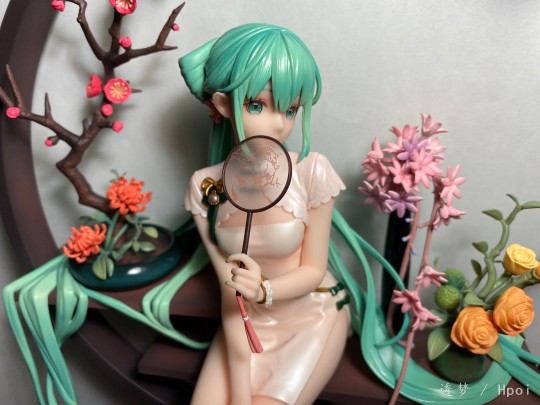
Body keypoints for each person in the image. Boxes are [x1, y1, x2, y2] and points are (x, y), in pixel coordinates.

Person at [179, 23, 350, 405]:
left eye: (290, 110)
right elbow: (229, 294)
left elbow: (312, 270)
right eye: (257, 105)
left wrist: (264, 290)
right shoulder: (205, 186)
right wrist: (240, 389)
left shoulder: (311, 171)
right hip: (244, 322)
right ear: (223, 104)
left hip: (311, 313)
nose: (278, 123)